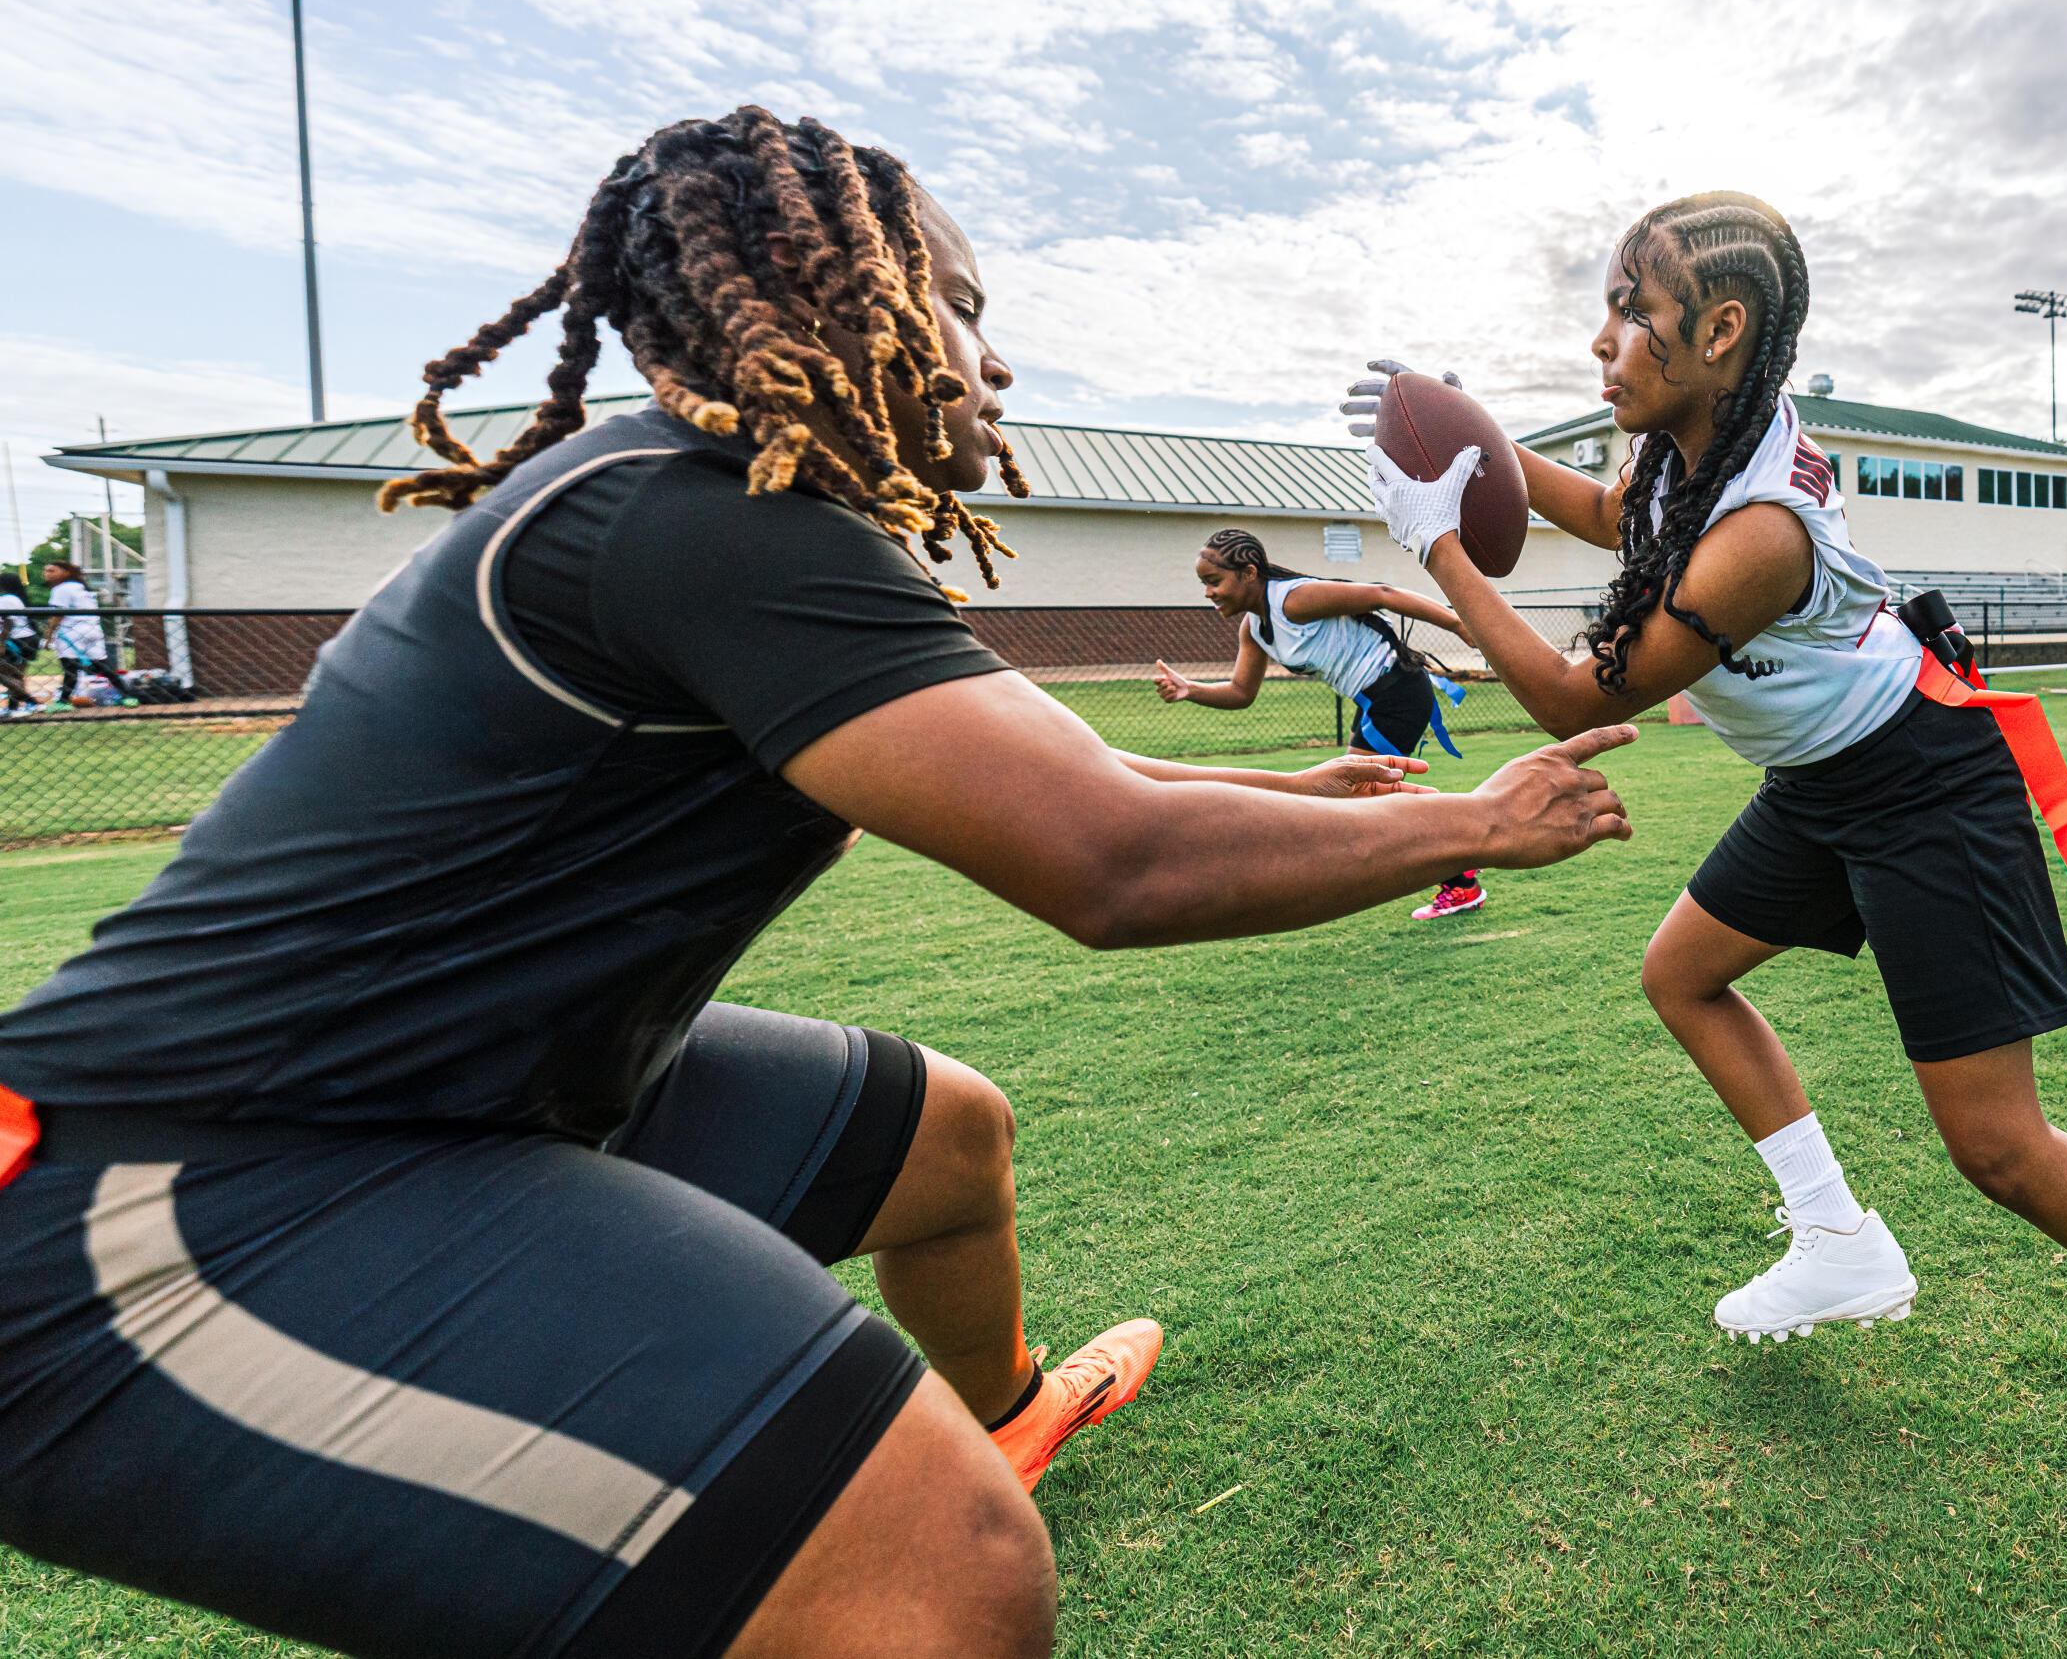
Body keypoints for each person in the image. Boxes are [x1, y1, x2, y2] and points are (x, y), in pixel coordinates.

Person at [0, 106, 1636, 1659]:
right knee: (944, 1561)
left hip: (462, 1094)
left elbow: (1080, 774)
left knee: (945, 1140)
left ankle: (1008, 1410)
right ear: (827, 301)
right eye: (962, 309)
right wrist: (1478, 823)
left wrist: (1301, 786)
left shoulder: (741, 514)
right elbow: (1114, 862)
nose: (996, 360)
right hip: (190, 1192)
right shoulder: (695, 520)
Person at [1348, 191, 2067, 1521]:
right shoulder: (1690, 444)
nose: (1603, 341)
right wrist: (1473, 446)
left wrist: (1436, 541)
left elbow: (1575, 698)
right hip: (1824, 778)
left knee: (1998, 1146)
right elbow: (1612, 513)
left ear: (1721, 333)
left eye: (1632, 311)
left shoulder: (1759, 533)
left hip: (1922, 780)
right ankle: (1837, 1235)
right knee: (1682, 973)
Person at [1155, 529, 1490, 921]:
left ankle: (1464, 866)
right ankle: (1464, 851)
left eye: (1214, 581)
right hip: (1375, 701)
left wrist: (1458, 624)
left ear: (1248, 573)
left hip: (1398, 692)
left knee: (1360, 797)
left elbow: (1383, 594)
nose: (1208, 592)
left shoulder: (1293, 600)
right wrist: (1190, 689)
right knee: (1365, 796)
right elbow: (1241, 692)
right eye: (1204, 584)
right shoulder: (1254, 628)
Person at [38, 559, 132, 708]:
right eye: (46, 571)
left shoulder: (61, 589)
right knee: (103, 666)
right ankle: (127, 696)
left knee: (70, 667)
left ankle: (63, 702)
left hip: (72, 632)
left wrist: (48, 637)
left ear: (66, 572)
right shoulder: (82, 588)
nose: (47, 574)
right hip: (93, 630)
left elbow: (57, 615)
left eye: (52, 570)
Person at [0, 570, 38, 714]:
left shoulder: (7, 599)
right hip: (26, 639)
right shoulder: (16, 598)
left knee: (8, 675)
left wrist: (2, 643)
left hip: (16, 640)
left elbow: (9, 621)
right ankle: (13, 708)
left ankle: (31, 702)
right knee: (16, 676)